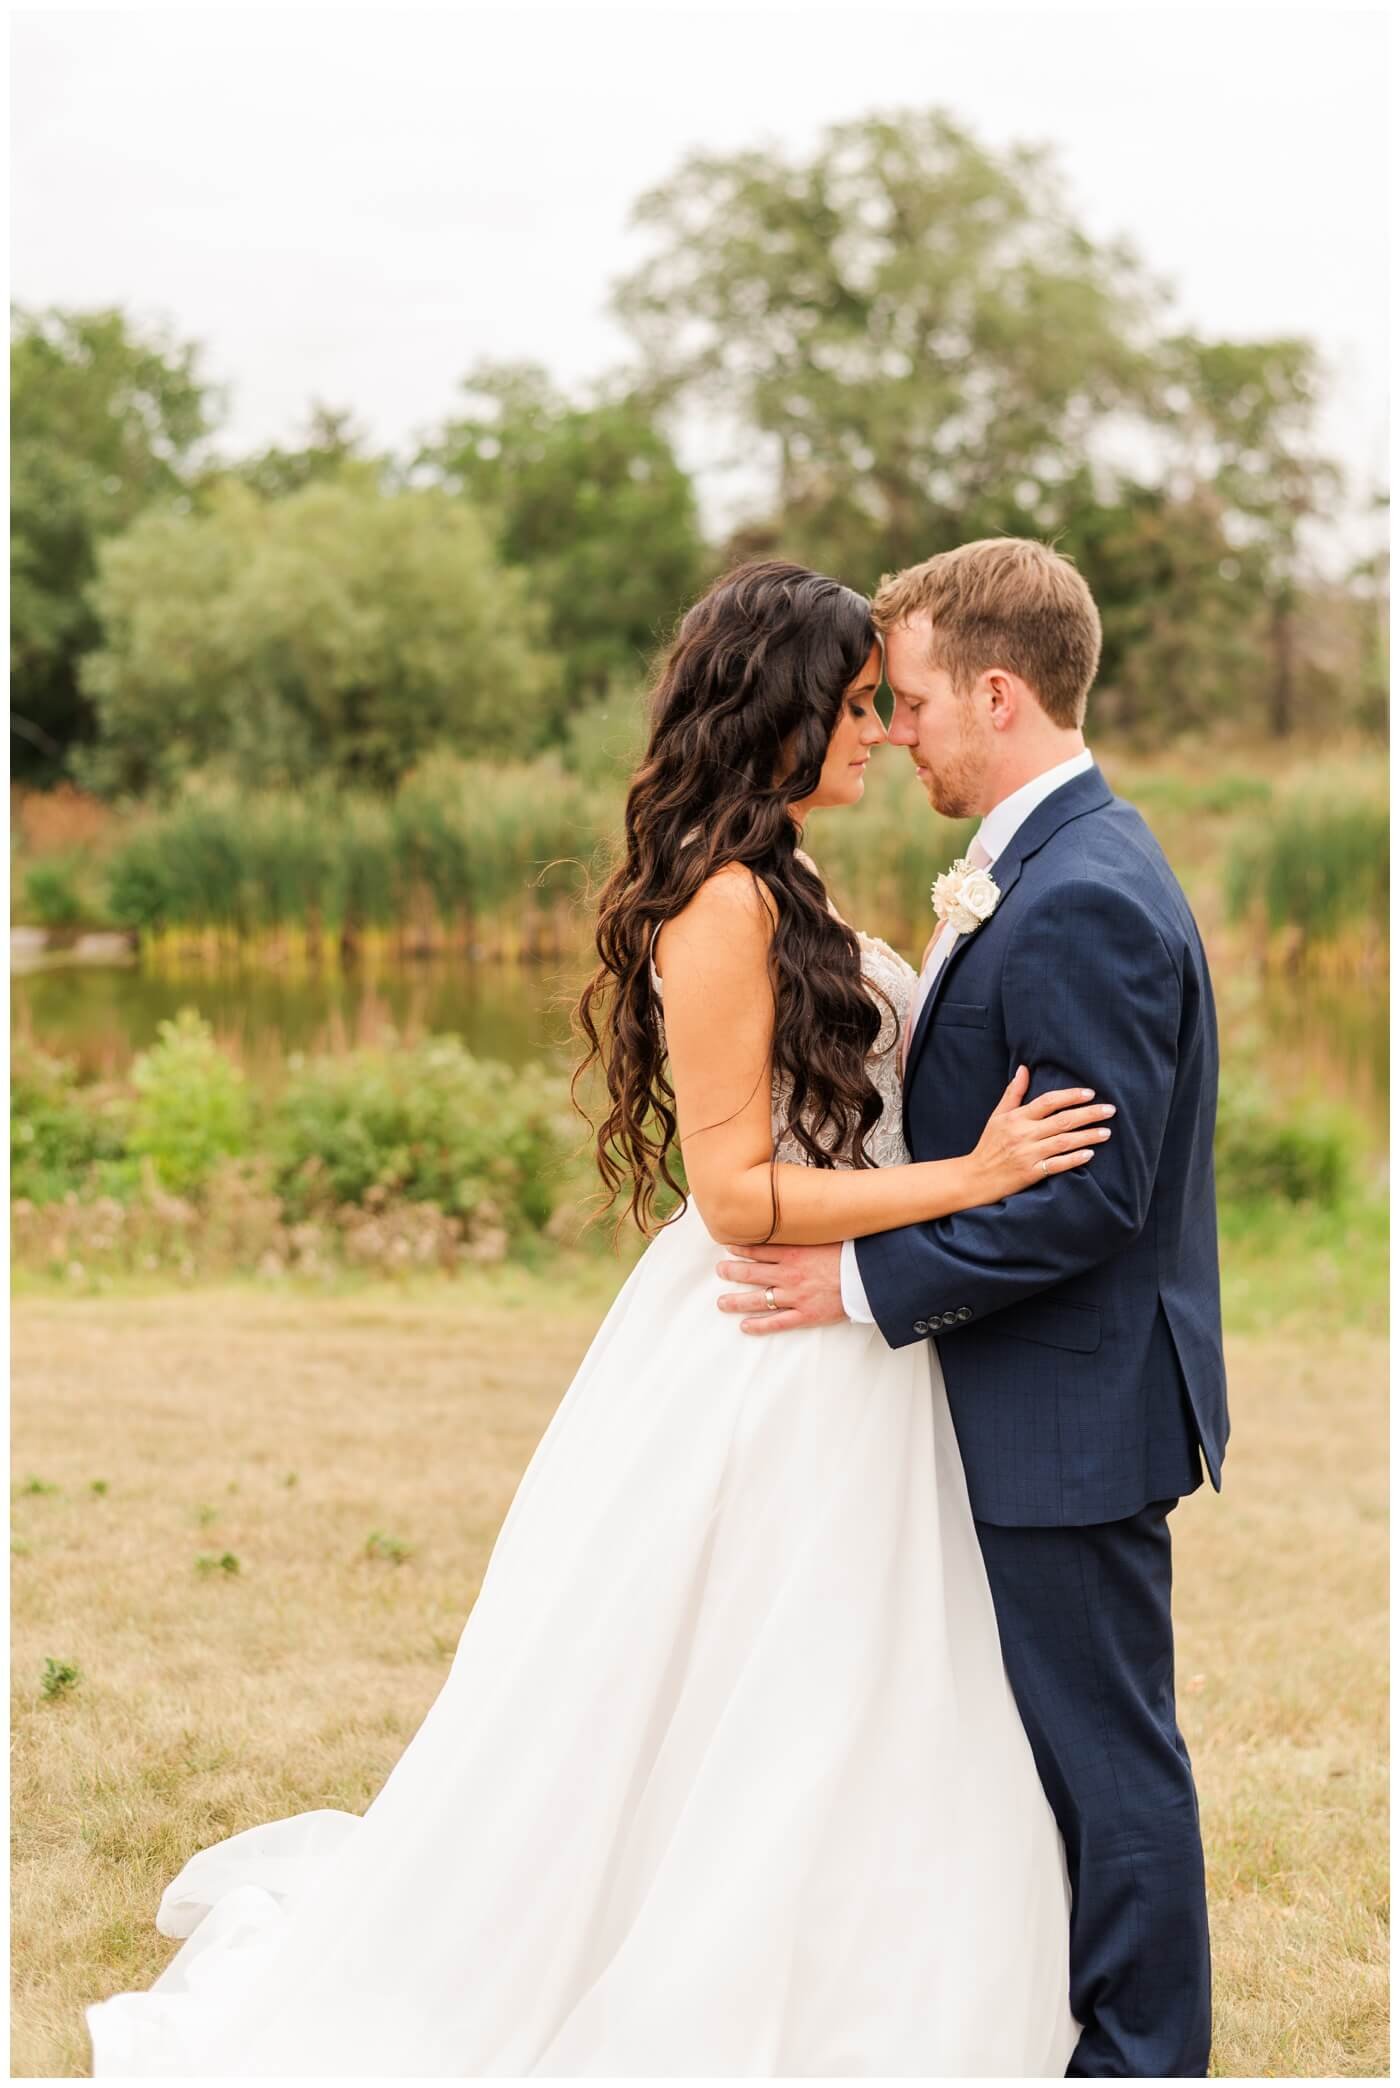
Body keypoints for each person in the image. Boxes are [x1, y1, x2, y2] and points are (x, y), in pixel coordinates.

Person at [85, 559, 1099, 2077]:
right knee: (738, 1679)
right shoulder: (722, 902)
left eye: (886, 706)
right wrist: (973, 1175)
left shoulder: (789, 881)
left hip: (854, 1346)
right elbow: (740, 1192)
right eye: (852, 706)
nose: (880, 733)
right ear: (781, 716)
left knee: (848, 1687)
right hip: (768, 1343)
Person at [716, 539, 1228, 2077]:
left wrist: (865, 1281)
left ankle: (1141, 2063)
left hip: (1067, 1406)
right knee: (1032, 1756)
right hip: (1023, 1396)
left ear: (998, 693)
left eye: (917, 697)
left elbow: (1088, 1193)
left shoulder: (1084, 895)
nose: (895, 727)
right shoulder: (1051, 861)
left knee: (1107, 1761)